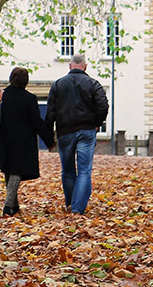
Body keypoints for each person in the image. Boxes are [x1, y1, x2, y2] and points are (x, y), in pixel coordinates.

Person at [0, 67, 54, 216]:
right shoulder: (29, 98)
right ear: (25, 82)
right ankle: (8, 205)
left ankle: (14, 206)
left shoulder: (0, 95)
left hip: (2, 140)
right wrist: (49, 141)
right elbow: (37, 123)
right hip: (22, 142)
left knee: (8, 171)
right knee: (16, 172)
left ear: (11, 79)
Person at [45, 53, 108, 215]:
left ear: (70, 66)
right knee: (84, 170)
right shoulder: (94, 84)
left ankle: (70, 204)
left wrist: (48, 137)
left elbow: (50, 113)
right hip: (86, 131)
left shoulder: (58, 85)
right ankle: (77, 208)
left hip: (65, 132)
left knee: (67, 171)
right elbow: (103, 105)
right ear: (85, 67)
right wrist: (96, 124)